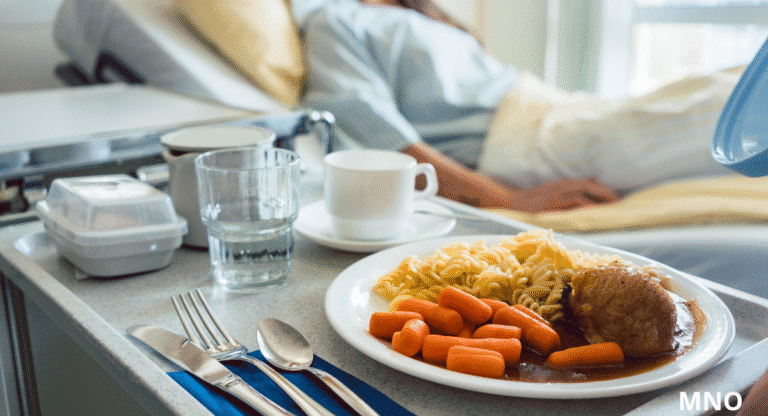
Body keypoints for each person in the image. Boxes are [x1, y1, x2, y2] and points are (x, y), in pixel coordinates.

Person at [294, 0, 733, 212]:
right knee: (722, 109)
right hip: (523, 138)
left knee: (723, 81)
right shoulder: (336, 20)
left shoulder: (419, 15)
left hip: (558, 109)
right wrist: (510, 198)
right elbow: (371, 127)